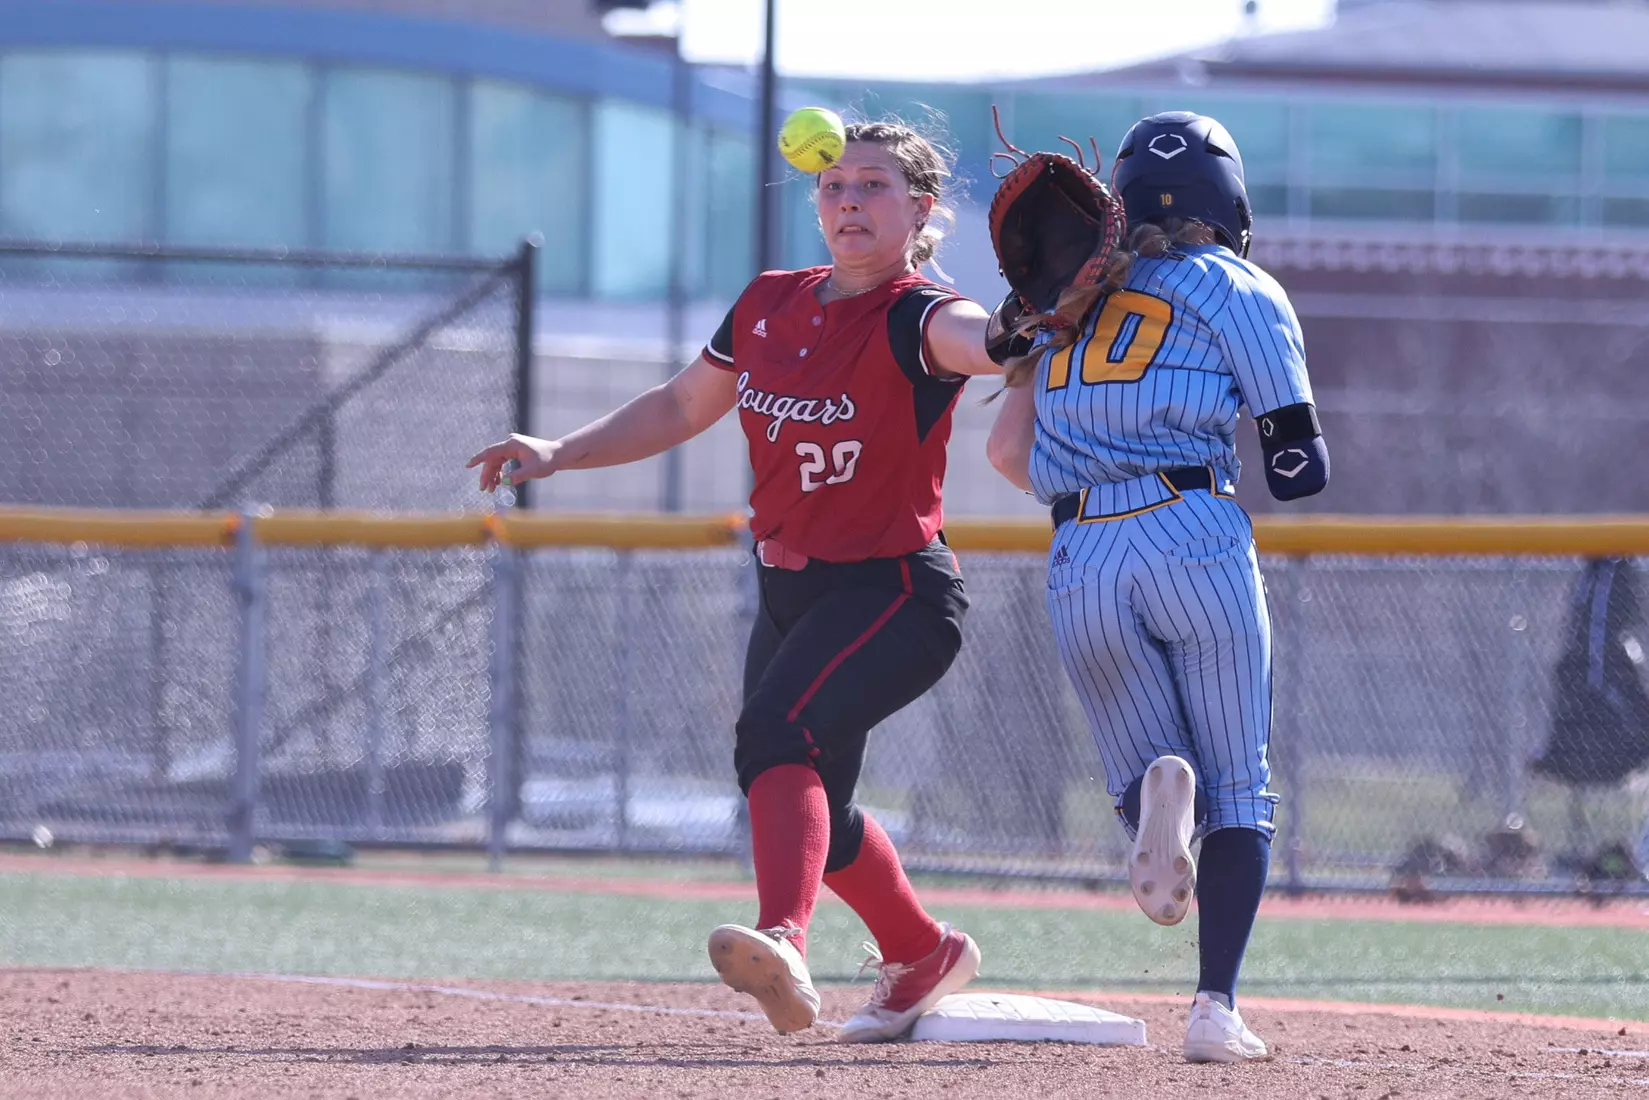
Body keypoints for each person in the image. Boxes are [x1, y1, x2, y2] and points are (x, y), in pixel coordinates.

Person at [468, 118, 1010, 1043]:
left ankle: (781, 939)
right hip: (790, 588)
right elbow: (683, 404)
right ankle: (921, 954)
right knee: (800, 794)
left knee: (776, 732)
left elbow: (981, 339)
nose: (848, 201)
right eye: (833, 186)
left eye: (873, 185)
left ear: (918, 210)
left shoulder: (918, 313)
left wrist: (1024, 324)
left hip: (894, 594)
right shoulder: (769, 302)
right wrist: (558, 451)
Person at [985, 111, 1330, 1063]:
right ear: (1230, 202)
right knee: (1239, 792)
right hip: (1194, 530)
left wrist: (1043, 388)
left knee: (1144, 781)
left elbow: (1005, 454)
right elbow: (1299, 463)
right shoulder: (1239, 285)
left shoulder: (1067, 300)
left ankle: (1151, 799)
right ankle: (1214, 1008)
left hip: (1083, 547)